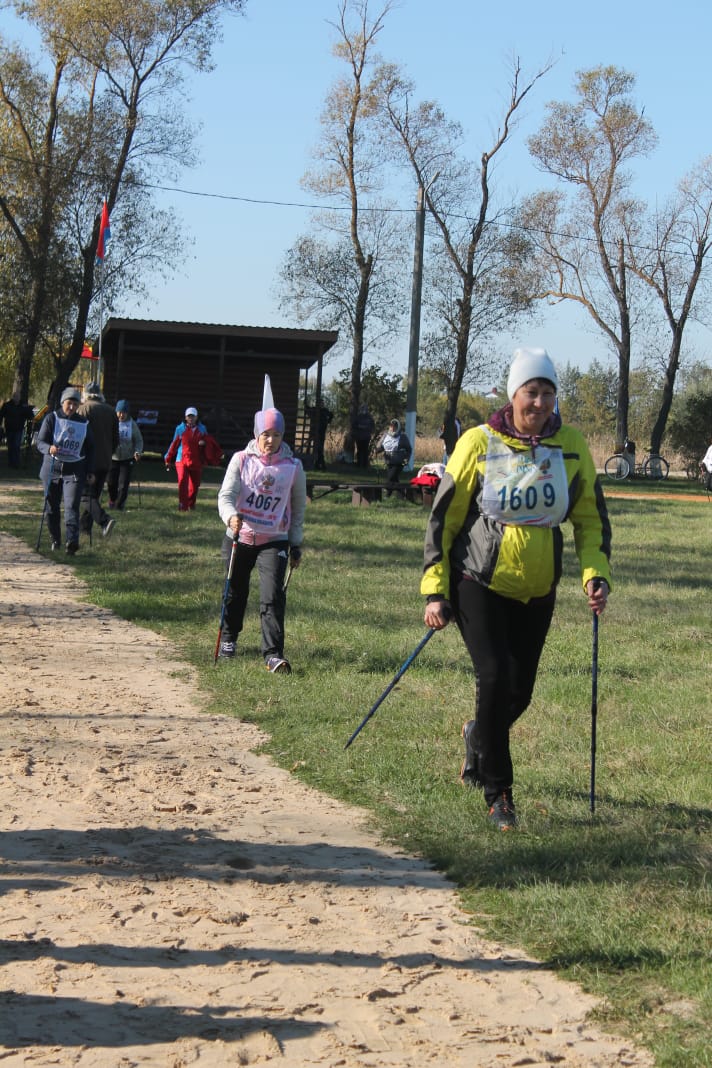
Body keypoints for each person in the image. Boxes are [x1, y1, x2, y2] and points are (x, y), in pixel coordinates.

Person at [421, 346, 612, 831]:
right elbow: (443, 520)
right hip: (478, 579)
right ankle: (498, 793)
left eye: (548, 392)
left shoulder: (570, 445)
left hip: (537, 587)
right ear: (514, 394)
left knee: (519, 692)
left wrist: (595, 573)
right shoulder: (478, 443)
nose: (541, 402)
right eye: (532, 391)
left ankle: (478, 735)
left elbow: (590, 518)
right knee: (494, 675)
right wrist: (435, 588)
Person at [216, 406, 306, 673]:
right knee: (235, 592)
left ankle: (273, 654)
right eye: (266, 434)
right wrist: (231, 516)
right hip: (240, 536)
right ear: (257, 434)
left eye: (277, 435)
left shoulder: (293, 467)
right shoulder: (241, 459)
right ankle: (229, 640)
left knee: (272, 596)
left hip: (274, 539)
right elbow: (226, 495)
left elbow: (298, 507)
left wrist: (295, 543)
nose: (270, 440)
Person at [36, 387, 96, 554]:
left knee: (71, 505)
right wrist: (49, 448)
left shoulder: (84, 423)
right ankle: (55, 539)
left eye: (75, 404)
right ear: (63, 402)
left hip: (75, 469)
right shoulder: (51, 418)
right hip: (52, 468)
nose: (71, 407)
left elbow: (91, 448)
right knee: (52, 506)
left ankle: (72, 541)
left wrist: (90, 470)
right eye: (69, 403)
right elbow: (40, 442)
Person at [77, 382, 118, 539]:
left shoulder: (83, 409)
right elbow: (116, 439)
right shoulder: (110, 410)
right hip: (106, 461)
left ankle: (104, 520)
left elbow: (80, 436)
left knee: (85, 496)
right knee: (93, 496)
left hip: (88, 460)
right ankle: (84, 528)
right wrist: (109, 452)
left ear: (85, 394)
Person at [164, 406, 209, 511]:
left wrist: (204, 444)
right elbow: (174, 444)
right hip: (181, 459)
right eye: (189, 416)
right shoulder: (180, 429)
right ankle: (182, 506)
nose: (191, 418)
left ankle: (191, 504)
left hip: (196, 460)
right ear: (185, 417)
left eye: (193, 416)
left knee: (195, 485)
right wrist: (168, 458)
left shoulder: (202, 429)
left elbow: (208, 443)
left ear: (196, 417)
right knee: (183, 482)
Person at [107, 400, 144, 510]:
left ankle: (119, 505)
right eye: (119, 412)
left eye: (124, 412)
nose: (121, 415)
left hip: (127, 458)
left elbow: (138, 440)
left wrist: (137, 451)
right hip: (113, 457)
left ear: (127, 413)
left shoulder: (132, 424)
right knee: (111, 483)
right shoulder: (111, 422)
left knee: (123, 484)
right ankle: (113, 500)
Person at [376, 418, 411, 494]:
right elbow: (382, 447)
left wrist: (406, 459)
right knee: (394, 480)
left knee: (390, 478)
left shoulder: (402, 437)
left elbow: (409, 449)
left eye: (394, 426)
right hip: (389, 461)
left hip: (399, 462)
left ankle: (387, 493)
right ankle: (402, 493)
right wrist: (378, 450)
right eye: (391, 426)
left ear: (397, 427)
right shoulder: (385, 435)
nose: (392, 428)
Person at [0, 390, 34, 468]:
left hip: (19, 429)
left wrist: (31, 413)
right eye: (15, 396)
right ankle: (10, 462)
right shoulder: (7, 405)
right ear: (13, 397)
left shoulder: (23, 406)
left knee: (16, 445)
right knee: (10, 446)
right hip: (9, 429)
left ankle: (16, 463)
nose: (16, 398)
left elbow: (29, 415)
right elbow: (1, 415)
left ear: (19, 397)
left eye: (18, 397)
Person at [351, 404, 375, 469]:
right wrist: (359, 427)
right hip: (359, 437)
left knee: (365, 451)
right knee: (359, 450)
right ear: (361, 409)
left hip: (367, 437)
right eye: (364, 409)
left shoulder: (369, 417)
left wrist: (368, 428)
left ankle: (365, 465)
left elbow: (372, 426)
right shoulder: (358, 417)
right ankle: (359, 464)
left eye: (366, 409)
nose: (365, 410)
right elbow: (353, 425)